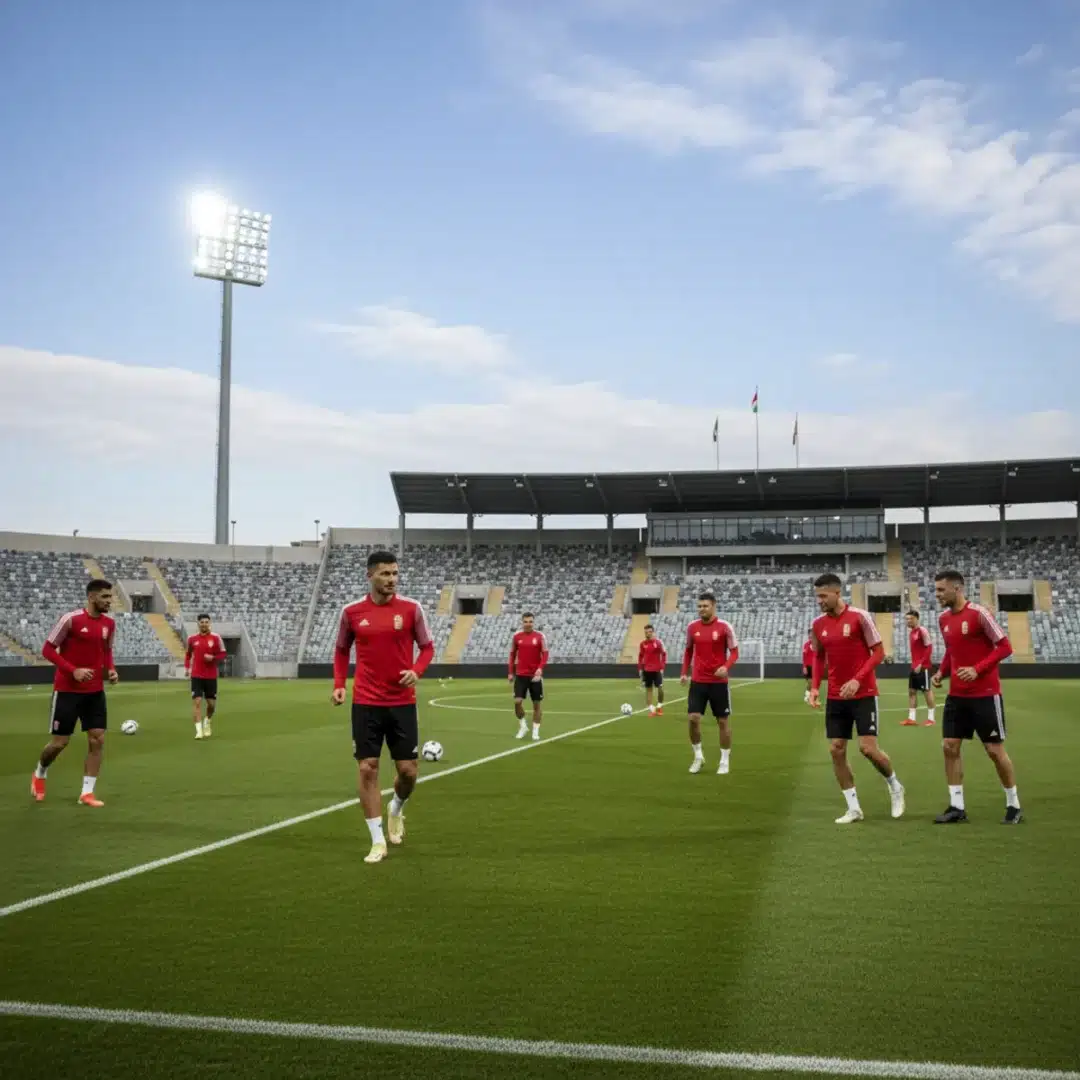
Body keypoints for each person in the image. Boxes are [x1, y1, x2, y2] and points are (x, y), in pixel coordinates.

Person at [331, 550, 435, 864]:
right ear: (370, 576)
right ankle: (377, 842)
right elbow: (340, 650)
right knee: (367, 768)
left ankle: (396, 809)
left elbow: (428, 647)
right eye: (385, 574)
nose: (391, 579)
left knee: (407, 772)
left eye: (394, 574)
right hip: (365, 701)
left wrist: (415, 671)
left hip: (402, 702)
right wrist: (339, 684)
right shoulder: (351, 612)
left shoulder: (411, 609)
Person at [808, 573, 905, 824]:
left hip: (863, 693)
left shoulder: (860, 617)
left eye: (823, 596)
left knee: (867, 749)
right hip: (836, 696)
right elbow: (818, 658)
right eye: (816, 596)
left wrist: (857, 679)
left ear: (837, 593)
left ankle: (894, 785)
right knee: (836, 749)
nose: (819, 601)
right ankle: (854, 808)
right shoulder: (818, 624)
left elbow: (879, 652)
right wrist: (815, 688)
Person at [931, 570, 1020, 824]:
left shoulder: (979, 614)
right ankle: (956, 807)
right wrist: (941, 672)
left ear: (957, 589)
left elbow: (1005, 647)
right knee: (949, 746)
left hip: (985, 694)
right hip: (957, 695)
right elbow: (951, 650)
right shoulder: (943, 619)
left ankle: (1013, 804)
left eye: (941, 590)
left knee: (994, 750)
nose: (936, 594)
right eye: (936, 590)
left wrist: (977, 669)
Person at [30, 579, 118, 807]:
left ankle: (86, 793)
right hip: (67, 690)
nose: (110, 601)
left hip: (95, 691)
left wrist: (111, 670)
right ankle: (40, 772)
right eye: (105, 597)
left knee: (97, 739)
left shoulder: (109, 623)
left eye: (110, 597)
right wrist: (73, 670)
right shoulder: (70, 620)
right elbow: (47, 649)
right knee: (59, 743)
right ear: (92, 597)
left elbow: (107, 651)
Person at [680, 591, 738, 775]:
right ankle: (698, 757)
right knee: (693, 719)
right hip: (698, 681)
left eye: (705, 606)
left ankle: (724, 760)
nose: (701, 609)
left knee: (722, 722)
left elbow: (735, 652)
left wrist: (726, 666)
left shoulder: (724, 627)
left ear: (713, 606)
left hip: (718, 682)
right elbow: (688, 651)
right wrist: (684, 673)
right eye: (699, 606)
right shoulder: (692, 627)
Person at [185, 613, 227, 739]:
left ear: (210, 623)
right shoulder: (192, 639)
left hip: (210, 676)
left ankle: (207, 721)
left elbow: (223, 654)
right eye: (202, 622)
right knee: (197, 702)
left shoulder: (216, 638)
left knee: (211, 705)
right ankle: (199, 731)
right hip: (196, 675)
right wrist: (187, 668)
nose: (204, 624)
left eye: (206, 622)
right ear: (198, 624)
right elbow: (188, 655)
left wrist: (213, 657)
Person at [508, 613, 548, 741]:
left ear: (533, 622)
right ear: (522, 622)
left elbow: (545, 654)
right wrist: (510, 672)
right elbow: (512, 655)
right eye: (526, 621)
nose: (528, 624)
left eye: (530, 621)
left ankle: (535, 731)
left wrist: (540, 669)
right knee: (517, 702)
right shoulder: (516, 637)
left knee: (536, 705)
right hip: (520, 675)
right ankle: (523, 726)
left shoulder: (540, 636)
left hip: (535, 677)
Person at [903, 610, 936, 727]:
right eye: (906, 619)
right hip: (914, 667)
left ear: (916, 618)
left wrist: (921, 664)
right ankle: (911, 719)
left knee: (927, 691)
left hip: (923, 667)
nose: (908, 621)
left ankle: (931, 719)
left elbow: (929, 647)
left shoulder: (922, 631)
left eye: (910, 619)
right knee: (911, 692)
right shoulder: (912, 633)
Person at [638, 623, 667, 715]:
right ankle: (651, 709)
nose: (648, 633)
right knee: (649, 689)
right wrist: (640, 669)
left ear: (653, 632)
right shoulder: (642, 644)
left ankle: (659, 706)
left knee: (660, 688)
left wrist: (662, 667)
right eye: (646, 632)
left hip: (657, 670)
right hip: (646, 670)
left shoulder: (658, 643)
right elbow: (640, 656)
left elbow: (664, 654)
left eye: (650, 632)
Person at [801, 628, 815, 704]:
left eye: (812, 633)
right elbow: (804, 657)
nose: (811, 635)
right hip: (808, 667)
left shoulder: (818, 644)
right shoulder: (806, 645)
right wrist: (804, 667)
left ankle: (810, 697)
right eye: (810, 634)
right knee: (810, 683)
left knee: (814, 683)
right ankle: (807, 696)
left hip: (815, 667)